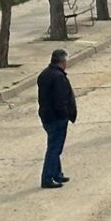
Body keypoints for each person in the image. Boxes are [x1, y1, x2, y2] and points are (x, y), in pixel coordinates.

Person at [36, 48, 76, 189]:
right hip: (56, 118)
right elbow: (60, 100)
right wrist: (65, 114)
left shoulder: (45, 74)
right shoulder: (58, 77)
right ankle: (47, 177)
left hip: (46, 116)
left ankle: (56, 173)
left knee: (54, 146)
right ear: (62, 61)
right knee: (54, 148)